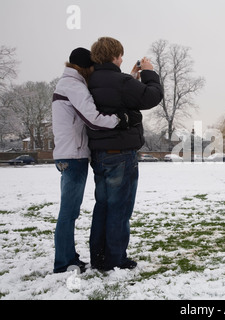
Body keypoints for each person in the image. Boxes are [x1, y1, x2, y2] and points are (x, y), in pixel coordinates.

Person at [87, 37, 163, 271]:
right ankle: (115, 259)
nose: (122, 59)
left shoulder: (90, 81)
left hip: (99, 153)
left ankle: (99, 257)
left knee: (103, 207)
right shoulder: (119, 81)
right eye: (120, 55)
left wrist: (130, 78)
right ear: (113, 56)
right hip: (120, 154)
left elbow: (116, 97)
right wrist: (149, 73)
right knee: (120, 209)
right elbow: (152, 96)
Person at [52, 47, 128, 274]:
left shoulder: (67, 83)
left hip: (68, 153)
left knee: (69, 211)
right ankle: (64, 262)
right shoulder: (74, 87)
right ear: (86, 67)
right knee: (69, 211)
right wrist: (119, 120)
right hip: (73, 156)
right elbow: (93, 119)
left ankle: (67, 257)